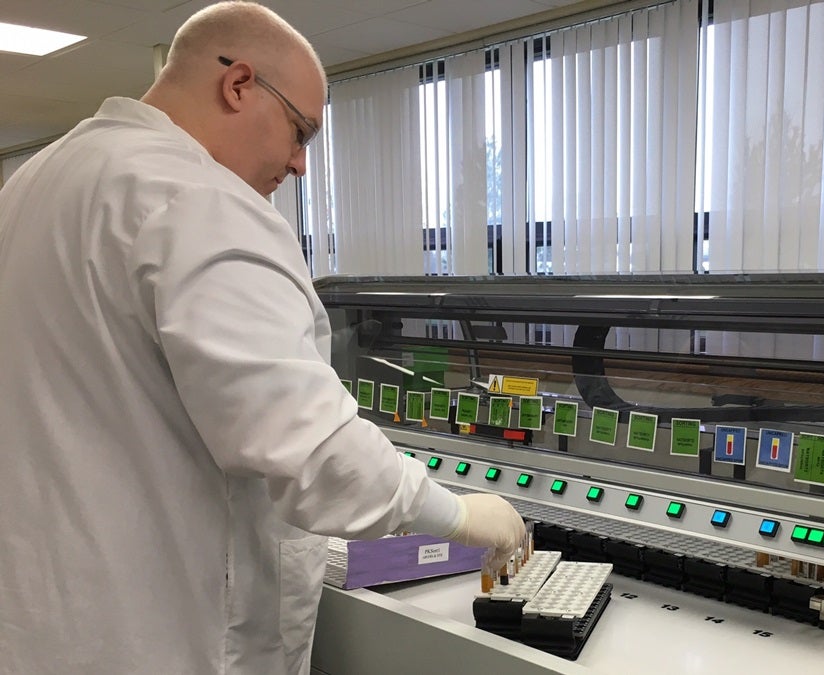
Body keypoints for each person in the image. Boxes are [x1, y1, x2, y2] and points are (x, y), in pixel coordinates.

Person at [0, 2, 527, 673]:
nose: (301, 163)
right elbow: (317, 453)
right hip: (157, 636)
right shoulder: (199, 200)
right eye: (299, 130)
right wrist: (461, 514)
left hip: (41, 626)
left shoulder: (37, 182)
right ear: (239, 84)